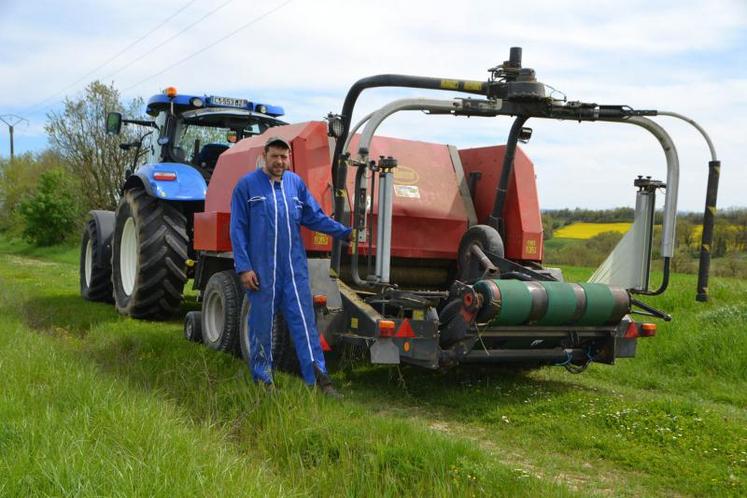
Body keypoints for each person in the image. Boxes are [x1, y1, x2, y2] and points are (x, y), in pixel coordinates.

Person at [229, 136, 351, 397]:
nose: (280, 161)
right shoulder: (247, 186)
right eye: (275, 156)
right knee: (261, 326)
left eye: (284, 157)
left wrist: (344, 233)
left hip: (293, 272)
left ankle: (319, 381)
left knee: (305, 325)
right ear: (265, 155)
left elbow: (314, 216)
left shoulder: (295, 184)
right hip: (262, 273)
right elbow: (237, 229)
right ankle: (263, 380)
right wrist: (244, 267)